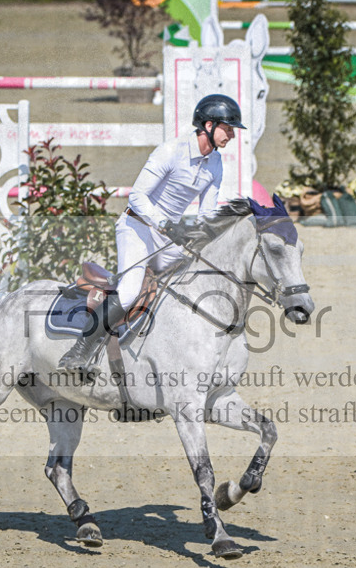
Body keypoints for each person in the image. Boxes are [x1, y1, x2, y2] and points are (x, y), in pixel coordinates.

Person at [58, 94, 246, 373]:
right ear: (208, 125)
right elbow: (137, 197)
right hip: (137, 228)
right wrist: (166, 224)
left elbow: (207, 213)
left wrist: (210, 237)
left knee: (193, 278)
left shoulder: (215, 164)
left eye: (232, 130)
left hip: (168, 237)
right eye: (228, 128)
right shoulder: (170, 151)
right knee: (131, 290)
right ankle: (79, 352)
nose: (231, 134)